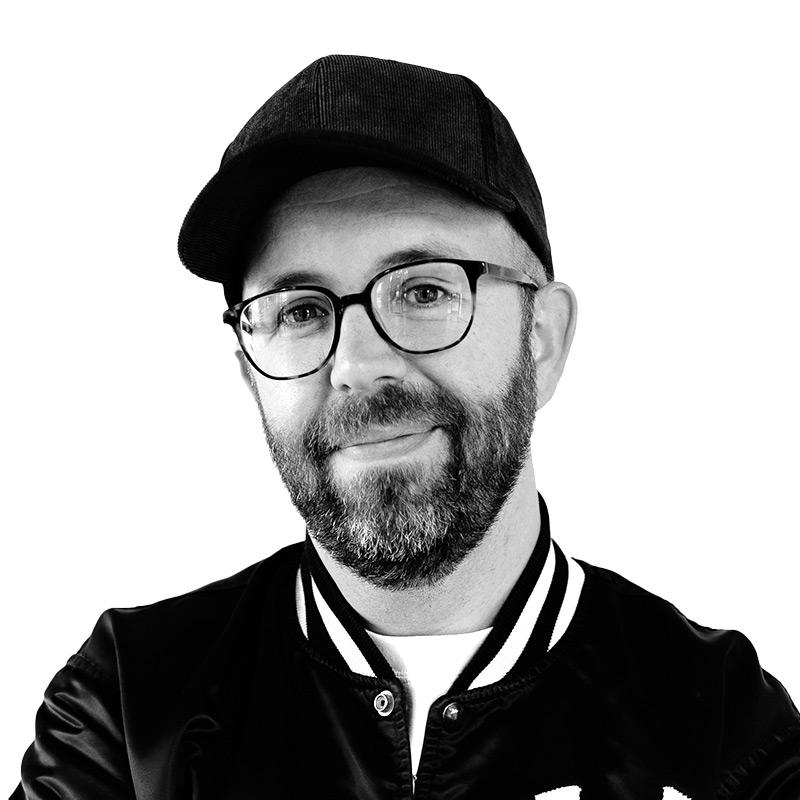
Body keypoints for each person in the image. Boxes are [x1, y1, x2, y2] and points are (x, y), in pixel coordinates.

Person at [12, 54, 800, 800]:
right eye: (300, 311)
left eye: (422, 291)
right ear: (250, 371)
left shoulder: (724, 727)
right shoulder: (132, 711)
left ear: (542, 337)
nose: (356, 364)